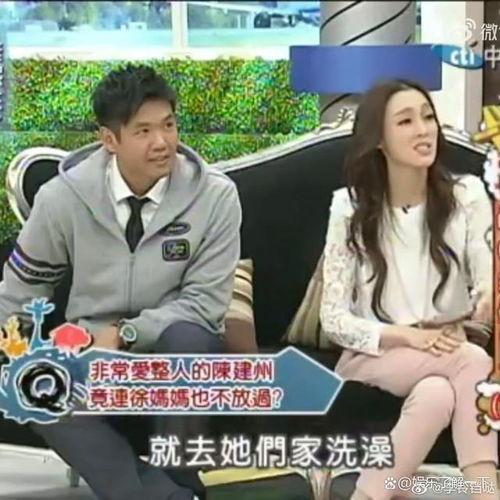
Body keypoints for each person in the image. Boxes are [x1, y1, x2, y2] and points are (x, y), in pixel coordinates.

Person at [0, 64, 242, 500]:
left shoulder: (215, 197)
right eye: (143, 131)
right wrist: (19, 353)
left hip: (173, 351)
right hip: (92, 356)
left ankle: (174, 484)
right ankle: (167, 496)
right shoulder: (63, 199)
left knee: (190, 339)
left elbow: (205, 305)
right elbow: (20, 294)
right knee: (29, 381)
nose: (162, 142)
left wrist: (126, 333)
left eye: (168, 125)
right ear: (109, 140)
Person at [319, 79, 498, 500]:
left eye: (428, 117)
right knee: (472, 361)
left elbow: (484, 271)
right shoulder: (349, 207)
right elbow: (333, 319)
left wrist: (486, 297)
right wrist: (406, 336)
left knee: (436, 395)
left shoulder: (467, 195)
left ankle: (370, 494)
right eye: (405, 121)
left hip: (444, 345)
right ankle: (486, 492)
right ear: (379, 140)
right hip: (373, 356)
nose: (423, 130)